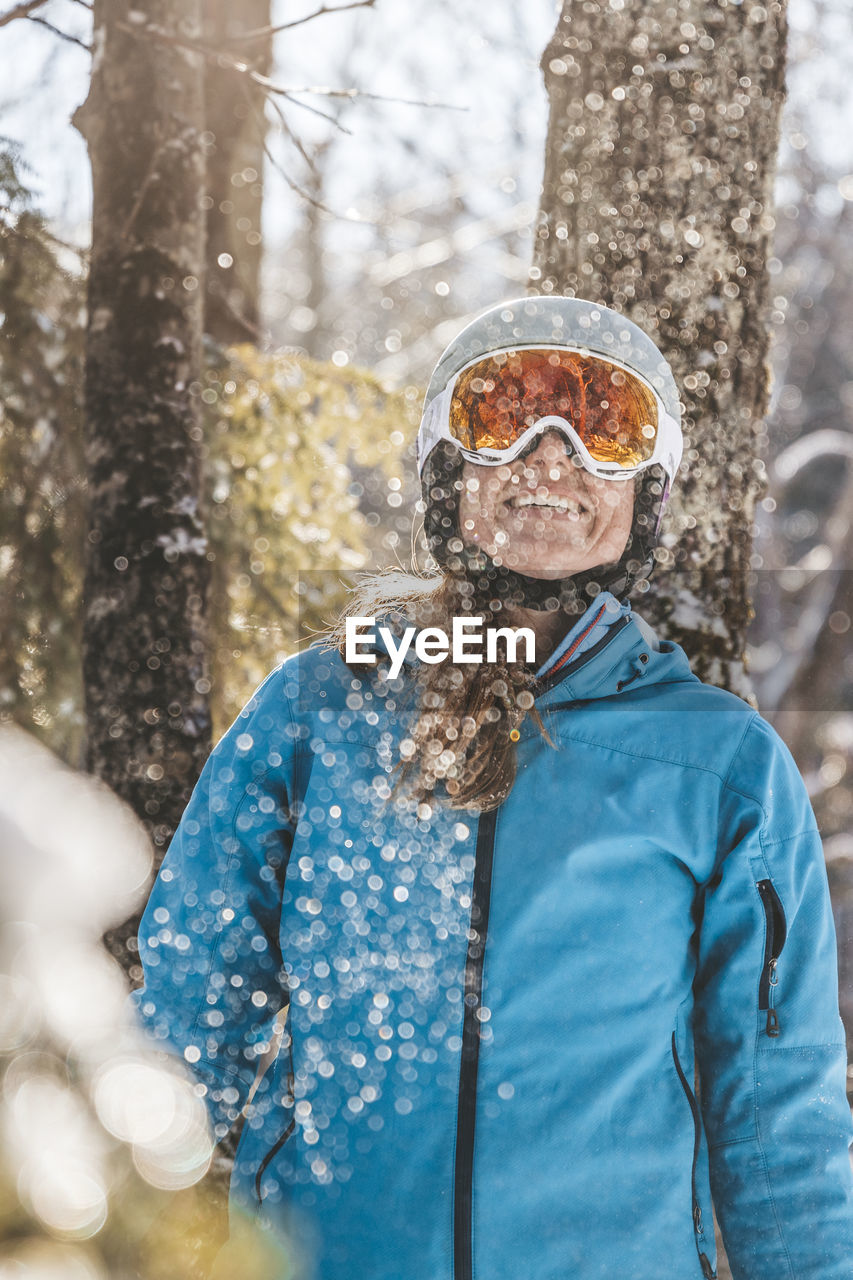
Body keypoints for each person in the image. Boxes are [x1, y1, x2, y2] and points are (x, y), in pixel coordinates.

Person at [133, 296, 853, 1279]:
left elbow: (777, 1107)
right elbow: (184, 1024)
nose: (551, 457)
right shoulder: (316, 714)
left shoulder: (717, 762)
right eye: (503, 416)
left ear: (644, 490)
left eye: (602, 425)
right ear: (444, 472)